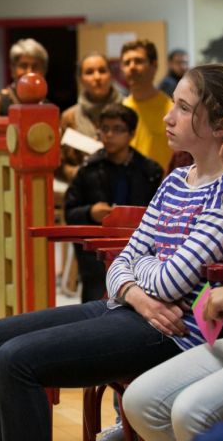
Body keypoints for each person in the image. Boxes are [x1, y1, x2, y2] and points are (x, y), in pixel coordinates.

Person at [0, 64, 223, 441]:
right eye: (173, 104)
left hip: (169, 330)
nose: (168, 116)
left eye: (184, 108)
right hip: (135, 309)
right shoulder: (176, 180)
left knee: (15, 360)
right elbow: (126, 262)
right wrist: (138, 289)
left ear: (221, 128)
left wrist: (136, 272)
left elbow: (170, 281)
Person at [122, 84, 223, 441]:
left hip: (182, 321)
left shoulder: (217, 179)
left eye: (183, 107)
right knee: (140, 400)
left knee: (190, 411)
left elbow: (168, 281)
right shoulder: (184, 177)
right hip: (145, 306)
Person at [64, 104, 162, 302]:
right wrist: (90, 212)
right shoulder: (88, 169)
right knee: (94, 306)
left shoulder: (150, 171)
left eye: (117, 129)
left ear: (131, 134)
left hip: (139, 252)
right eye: (105, 129)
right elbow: (69, 212)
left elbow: (160, 217)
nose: (109, 135)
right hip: (96, 258)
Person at [58, 52, 123, 183]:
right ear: (80, 78)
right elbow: (59, 162)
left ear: (111, 75)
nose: (97, 77)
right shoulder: (69, 117)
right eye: (89, 72)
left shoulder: (126, 110)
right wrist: (77, 173)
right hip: (83, 191)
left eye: (102, 71)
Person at [121, 39, 174, 172]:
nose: (132, 67)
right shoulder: (121, 111)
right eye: (127, 63)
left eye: (138, 61)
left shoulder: (172, 111)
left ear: (154, 65)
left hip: (164, 188)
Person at [0, 38, 48, 116]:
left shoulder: (47, 106)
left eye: (35, 67)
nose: (29, 72)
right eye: (23, 66)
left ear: (44, 71)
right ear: (12, 70)